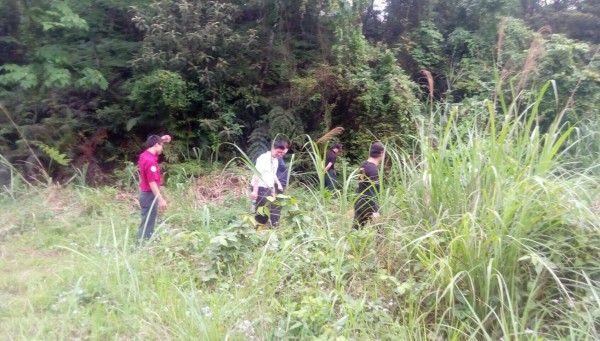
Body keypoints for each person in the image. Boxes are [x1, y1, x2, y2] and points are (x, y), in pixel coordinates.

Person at [137, 134, 171, 242]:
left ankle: (146, 241)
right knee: (147, 222)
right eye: (161, 145)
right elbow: (152, 183)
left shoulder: (144, 156)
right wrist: (161, 200)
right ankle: (141, 244)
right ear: (156, 145)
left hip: (145, 195)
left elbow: (153, 146)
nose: (162, 149)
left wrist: (162, 140)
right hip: (149, 196)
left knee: (149, 220)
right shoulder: (150, 161)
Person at [250, 140, 287, 230]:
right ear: (273, 148)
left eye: (282, 153)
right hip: (260, 187)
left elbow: (272, 175)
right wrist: (255, 191)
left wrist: (273, 190)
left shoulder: (276, 161)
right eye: (278, 152)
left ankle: (269, 228)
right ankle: (257, 231)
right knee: (262, 211)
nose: (280, 154)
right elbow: (256, 175)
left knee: (272, 209)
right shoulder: (263, 159)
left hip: (268, 188)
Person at [353, 143, 384, 229]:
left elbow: (361, 183)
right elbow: (371, 190)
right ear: (381, 153)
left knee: (356, 230)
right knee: (380, 231)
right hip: (368, 205)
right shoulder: (373, 170)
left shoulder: (363, 165)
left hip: (359, 201)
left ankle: (348, 242)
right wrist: (374, 210)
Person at [270, 142, 289, 227]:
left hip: (281, 184)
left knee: (278, 204)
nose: (284, 150)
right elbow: (273, 173)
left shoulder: (280, 158)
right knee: (276, 204)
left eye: (284, 148)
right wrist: (277, 184)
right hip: (277, 184)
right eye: (282, 149)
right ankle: (274, 224)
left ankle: (275, 222)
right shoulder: (276, 158)